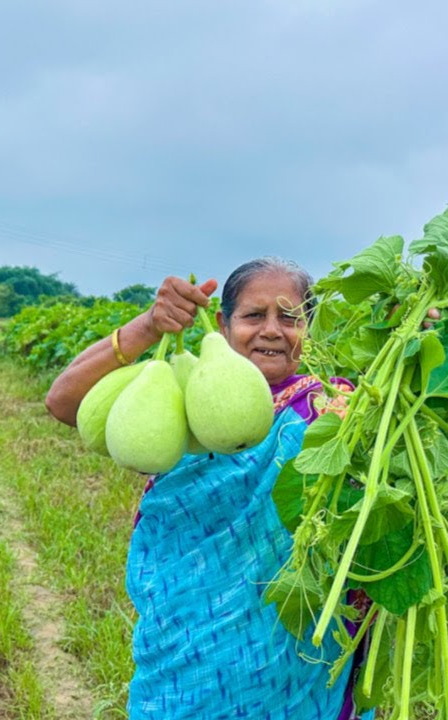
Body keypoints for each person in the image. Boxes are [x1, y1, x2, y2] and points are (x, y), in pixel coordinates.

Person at [46, 258, 367, 718]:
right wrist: (150, 327)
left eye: (290, 317)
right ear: (223, 322)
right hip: (187, 650)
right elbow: (63, 403)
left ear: (308, 328)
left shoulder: (337, 406)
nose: (272, 330)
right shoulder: (182, 394)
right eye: (254, 316)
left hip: (297, 657)